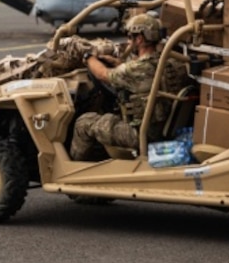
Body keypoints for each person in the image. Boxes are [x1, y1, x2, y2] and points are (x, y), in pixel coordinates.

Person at [69, 13, 166, 161]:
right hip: (161, 129)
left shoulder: (135, 69)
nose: (128, 42)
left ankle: (72, 171)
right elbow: (135, 72)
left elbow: (103, 74)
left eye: (130, 37)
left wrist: (88, 57)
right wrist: (118, 63)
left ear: (139, 39)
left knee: (84, 123)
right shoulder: (167, 62)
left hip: (138, 134)